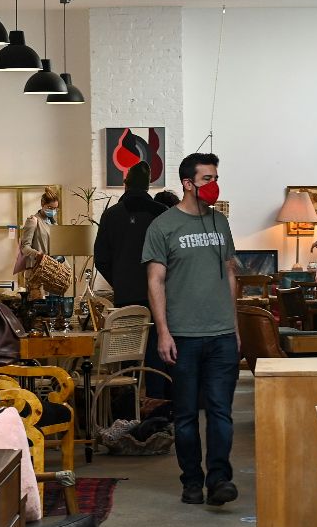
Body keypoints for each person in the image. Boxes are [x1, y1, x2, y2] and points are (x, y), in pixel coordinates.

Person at [143, 152, 241, 506]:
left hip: (221, 336)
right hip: (182, 336)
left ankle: (219, 480)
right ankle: (191, 480)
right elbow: (155, 281)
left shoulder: (221, 223)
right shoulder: (164, 226)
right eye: (207, 180)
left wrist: (235, 325)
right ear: (187, 183)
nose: (213, 186)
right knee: (185, 415)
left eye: (216, 178)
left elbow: (230, 274)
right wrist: (163, 332)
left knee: (220, 412)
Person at [95, 164, 165, 309]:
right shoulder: (162, 213)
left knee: (128, 331)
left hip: (124, 294)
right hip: (158, 293)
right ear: (147, 186)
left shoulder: (111, 214)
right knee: (157, 331)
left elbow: (101, 259)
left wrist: (119, 280)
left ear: (126, 184)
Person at [15, 186, 61, 288]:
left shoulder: (54, 224)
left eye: (55, 208)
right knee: (37, 302)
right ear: (42, 204)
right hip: (36, 271)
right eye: (50, 208)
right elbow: (24, 248)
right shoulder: (33, 221)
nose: (53, 211)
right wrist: (38, 255)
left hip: (51, 271)